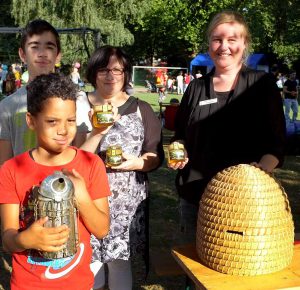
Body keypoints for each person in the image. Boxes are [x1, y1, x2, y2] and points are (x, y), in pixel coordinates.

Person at [168, 10, 286, 243]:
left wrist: (261, 169)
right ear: (209, 44)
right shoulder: (195, 88)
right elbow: (179, 135)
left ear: (244, 44)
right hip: (195, 196)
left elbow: (277, 143)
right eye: (217, 39)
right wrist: (177, 154)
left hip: (245, 201)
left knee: (237, 267)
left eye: (232, 39)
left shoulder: (262, 85)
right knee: (194, 268)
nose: (224, 46)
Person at [0, 73, 110, 290]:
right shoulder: (11, 170)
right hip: (27, 285)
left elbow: (102, 230)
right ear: (31, 121)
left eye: (70, 120)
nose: (63, 130)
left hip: (78, 284)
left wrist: (82, 197)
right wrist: (26, 240)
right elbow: (7, 239)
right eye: (52, 121)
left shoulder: (91, 163)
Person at [74, 45, 164, 290]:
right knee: (89, 262)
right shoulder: (78, 105)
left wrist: (136, 163)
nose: (111, 75)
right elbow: (70, 156)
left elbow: (155, 154)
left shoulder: (141, 108)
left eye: (117, 69)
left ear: (126, 74)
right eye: (104, 69)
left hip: (127, 203)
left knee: (119, 262)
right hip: (87, 197)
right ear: (93, 72)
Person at [0, 19, 61, 166]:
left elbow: (84, 157)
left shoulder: (76, 101)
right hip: (20, 187)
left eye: (49, 47)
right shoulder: (7, 107)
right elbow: (4, 164)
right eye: (34, 47)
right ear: (22, 54)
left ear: (58, 55)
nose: (42, 54)